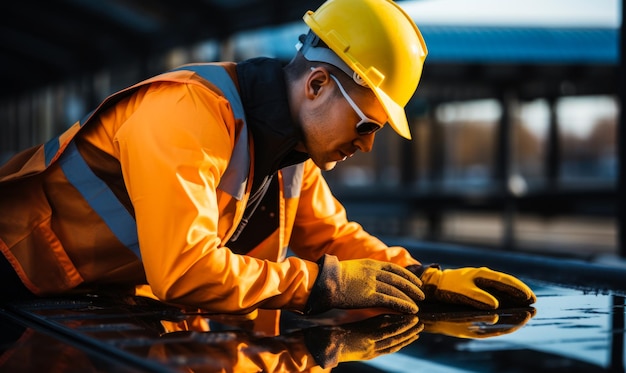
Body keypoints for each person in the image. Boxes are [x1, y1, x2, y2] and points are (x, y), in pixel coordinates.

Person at [0, 0, 535, 315]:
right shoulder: (187, 113)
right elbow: (184, 272)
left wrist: (427, 279)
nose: (368, 143)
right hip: (12, 275)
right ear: (318, 84)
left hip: (67, 294)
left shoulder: (287, 152)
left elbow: (335, 240)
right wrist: (319, 286)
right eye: (367, 123)